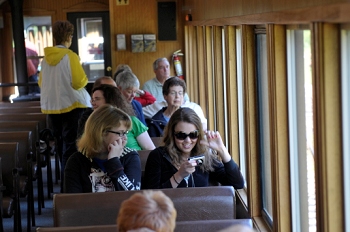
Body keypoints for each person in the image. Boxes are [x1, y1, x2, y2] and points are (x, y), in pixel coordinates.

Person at [38, 20, 91, 191]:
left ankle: (65, 182)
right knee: (72, 146)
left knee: (60, 146)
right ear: (69, 37)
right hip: (73, 106)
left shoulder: (45, 60)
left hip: (53, 108)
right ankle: (71, 184)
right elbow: (78, 82)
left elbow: (41, 83)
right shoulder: (70, 56)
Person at [144, 108, 244, 189]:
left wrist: (222, 150)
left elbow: (237, 184)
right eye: (181, 135)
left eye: (193, 135)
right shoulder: (158, 156)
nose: (188, 140)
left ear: (199, 134)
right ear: (172, 135)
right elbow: (152, 196)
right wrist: (179, 175)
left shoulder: (204, 156)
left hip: (199, 212)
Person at [65, 104, 141, 193]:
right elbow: (72, 201)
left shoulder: (130, 156)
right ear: (102, 132)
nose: (125, 138)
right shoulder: (77, 160)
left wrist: (114, 161)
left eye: (125, 133)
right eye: (120, 133)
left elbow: (132, 196)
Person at [78, 84, 155, 151]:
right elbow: (85, 149)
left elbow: (150, 150)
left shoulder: (132, 121)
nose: (93, 103)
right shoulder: (92, 124)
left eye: (97, 99)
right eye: (93, 100)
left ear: (110, 100)